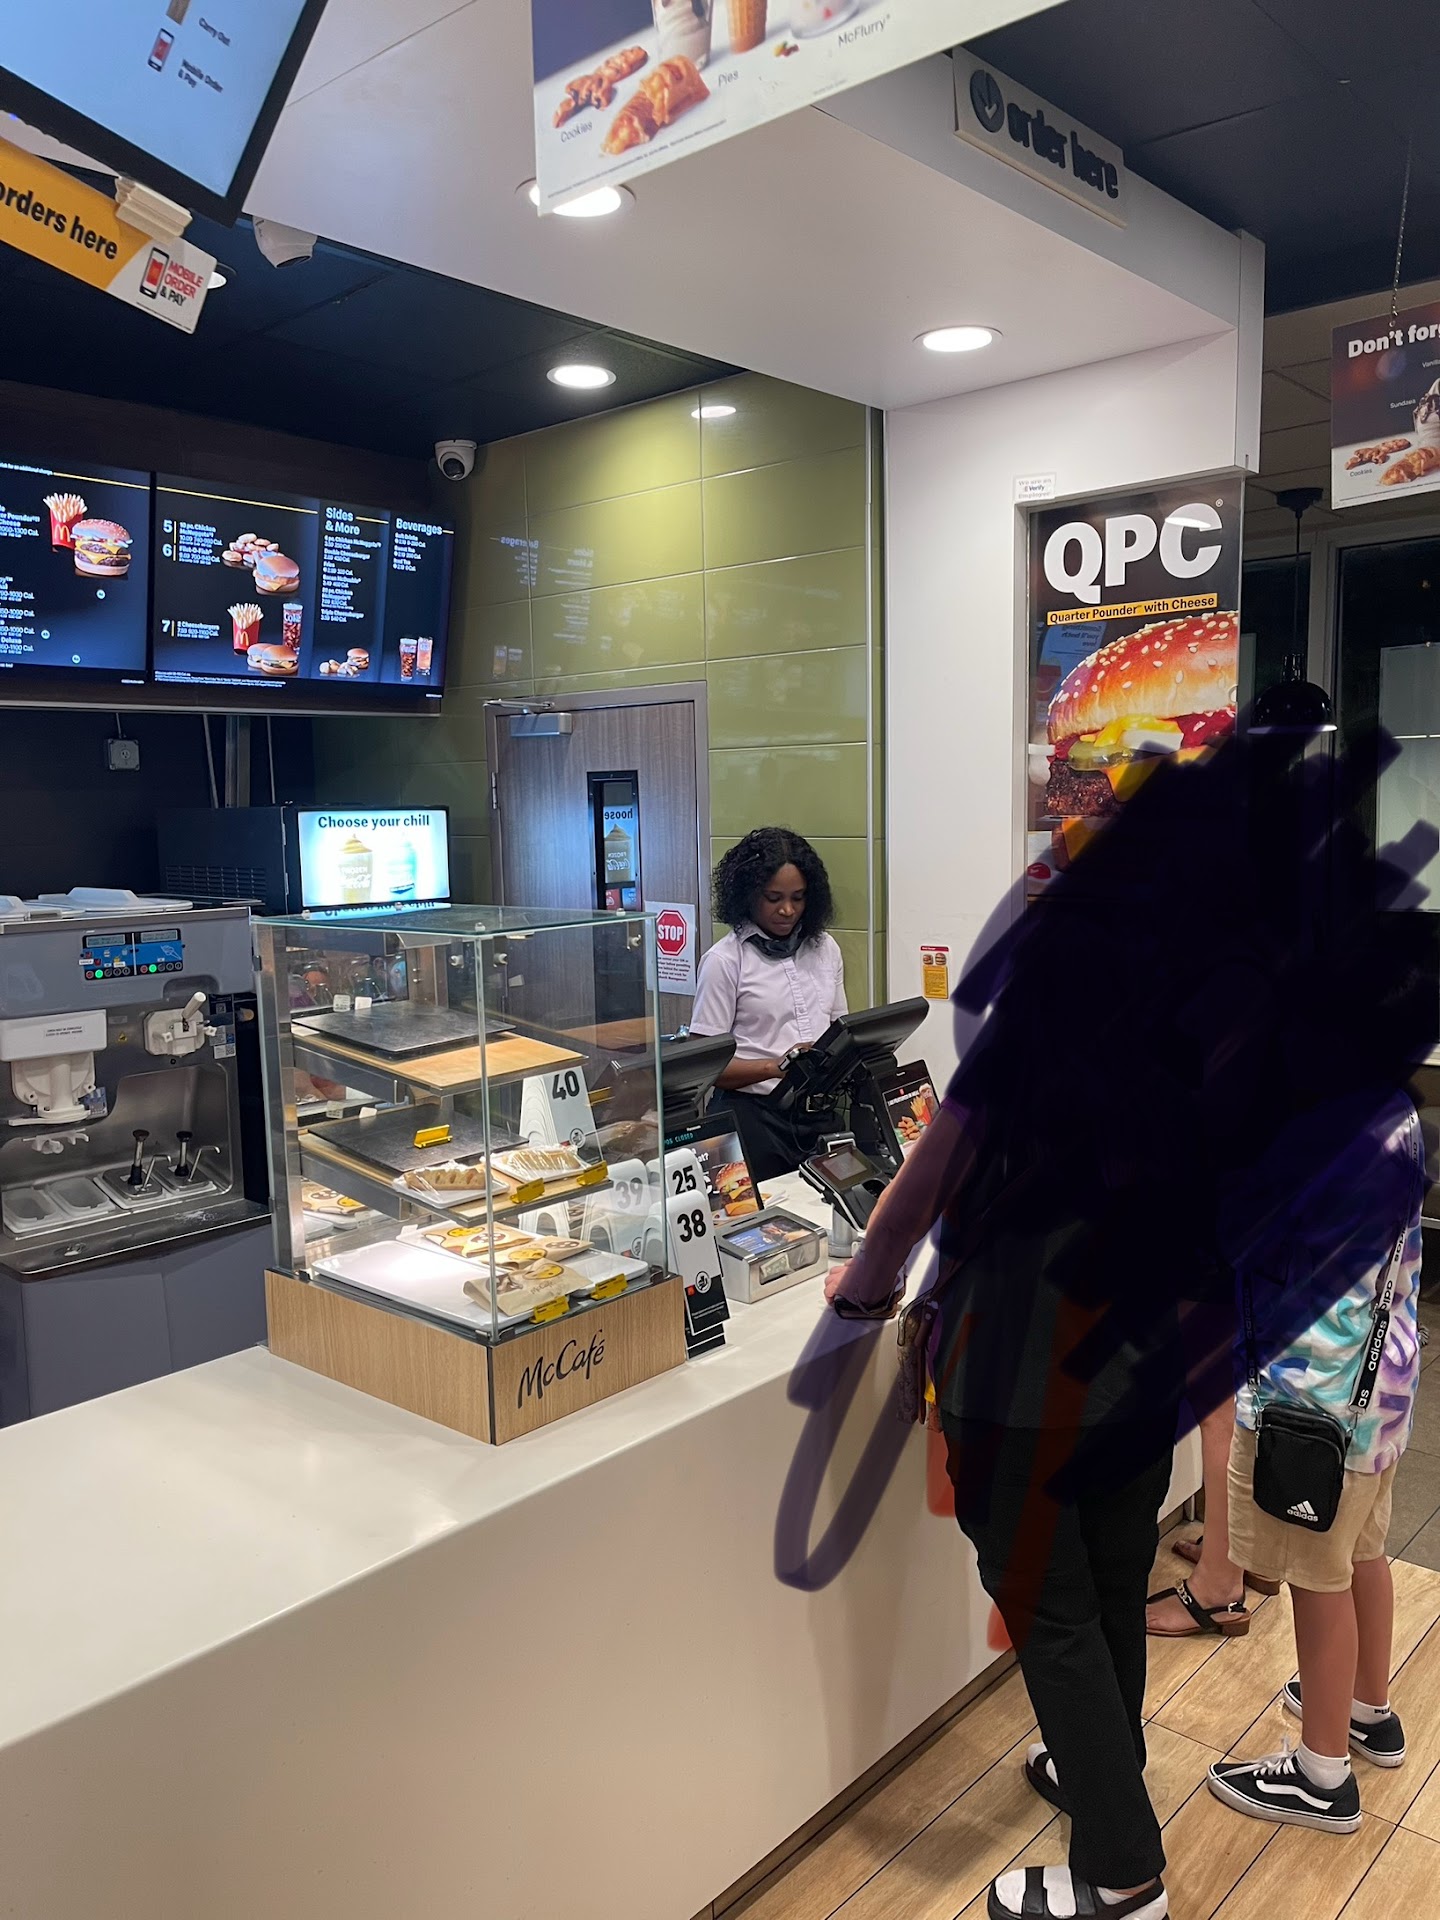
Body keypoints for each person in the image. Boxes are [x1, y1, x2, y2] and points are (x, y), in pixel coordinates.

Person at [1206, 1088, 1424, 1833]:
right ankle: (1367, 1708)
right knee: (1361, 1552)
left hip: (1309, 1401)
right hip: (1379, 1390)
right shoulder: (1391, 1106)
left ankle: (1321, 1773)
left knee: (1313, 1577)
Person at [689, 827, 847, 1180]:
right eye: (773, 898)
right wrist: (776, 1066)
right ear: (748, 895)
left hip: (817, 1116)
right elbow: (704, 1067)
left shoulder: (825, 949)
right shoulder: (725, 961)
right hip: (751, 1119)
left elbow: (841, 1031)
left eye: (798, 898)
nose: (787, 910)